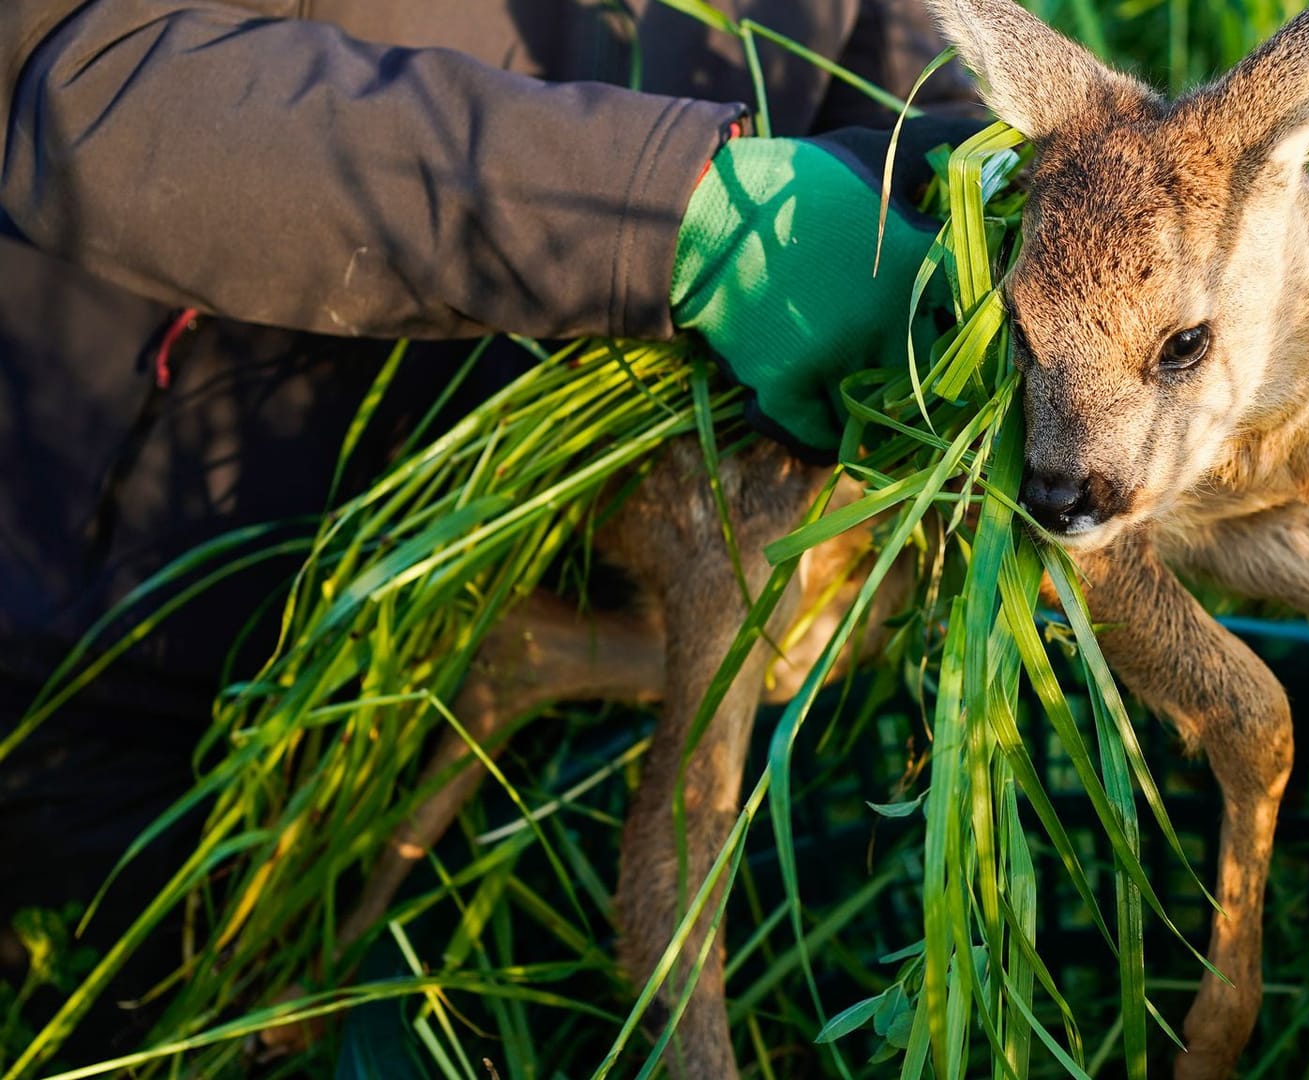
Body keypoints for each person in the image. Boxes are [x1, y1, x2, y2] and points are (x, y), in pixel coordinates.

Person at [0, 0, 977, 1051]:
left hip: (439, 679)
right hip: (84, 609)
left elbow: (902, 105)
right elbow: (80, 77)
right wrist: (672, 208)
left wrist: (994, 211)